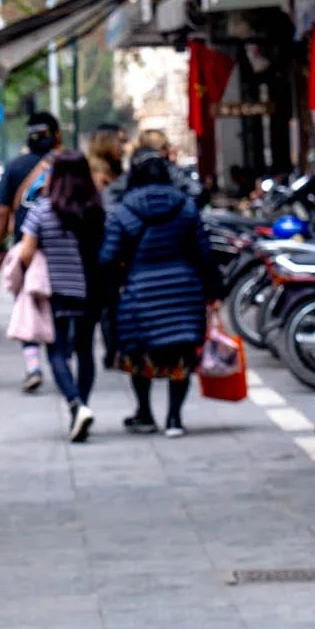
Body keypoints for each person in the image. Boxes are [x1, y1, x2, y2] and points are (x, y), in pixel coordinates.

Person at [98, 148, 222, 438]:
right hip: (184, 293)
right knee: (181, 355)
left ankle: (145, 414)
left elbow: (108, 257)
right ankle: (175, 418)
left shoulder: (125, 210)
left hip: (140, 295)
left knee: (140, 356)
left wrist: (112, 285)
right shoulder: (186, 207)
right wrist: (214, 291)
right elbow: (205, 254)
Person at [10, 150, 105, 440]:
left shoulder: (43, 210)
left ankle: (75, 405)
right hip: (90, 289)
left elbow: (26, 252)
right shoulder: (97, 208)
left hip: (56, 290)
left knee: (57, 350)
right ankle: (83, 404)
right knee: (85, 350)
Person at [0, 112, 60, 391]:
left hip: (26, 249)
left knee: (28, 305)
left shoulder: (15, 167)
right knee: (59, 308)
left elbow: (2, 213)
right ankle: (62, 364)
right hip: (64, 250)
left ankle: (33, 367)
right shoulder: (68, 164)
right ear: (57, 136)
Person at [85, 126, 126, 195]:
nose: (123, 149)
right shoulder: (97, 177)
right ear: (105, 143)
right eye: (119, 143)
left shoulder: (116, 169)